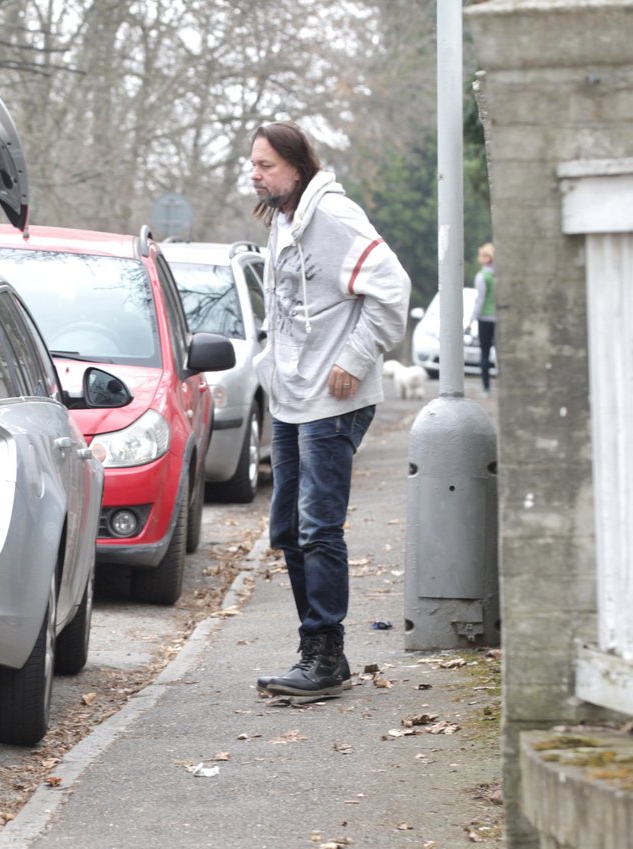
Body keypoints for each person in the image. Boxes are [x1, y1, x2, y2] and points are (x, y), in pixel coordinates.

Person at [248, 121, 411, 697]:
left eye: (265, 164)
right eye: (254, 164)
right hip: (293, 397)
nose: (256, 173)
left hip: (333, 400)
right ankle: (317, 653)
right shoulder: (285, 222)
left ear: (296, 166)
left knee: (319, 526)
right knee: (288, 529)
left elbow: (393, 289)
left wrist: (355, 357)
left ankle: (325, 654)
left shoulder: (335, 219)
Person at [469, 242, 497, 397]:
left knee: (485, 354)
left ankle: (486, 388)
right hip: (499, 318)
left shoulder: (482, 276)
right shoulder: (498, 275)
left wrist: (471, 319)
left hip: (485, 318)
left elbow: (480, 299)